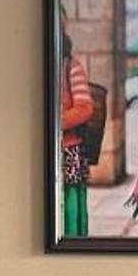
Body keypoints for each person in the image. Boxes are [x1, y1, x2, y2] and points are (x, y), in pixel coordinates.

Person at [58, 32, 96, 238]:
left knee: (70, 214)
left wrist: (54, 124)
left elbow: (84, 108)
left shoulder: (71, 67)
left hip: (68, 151)